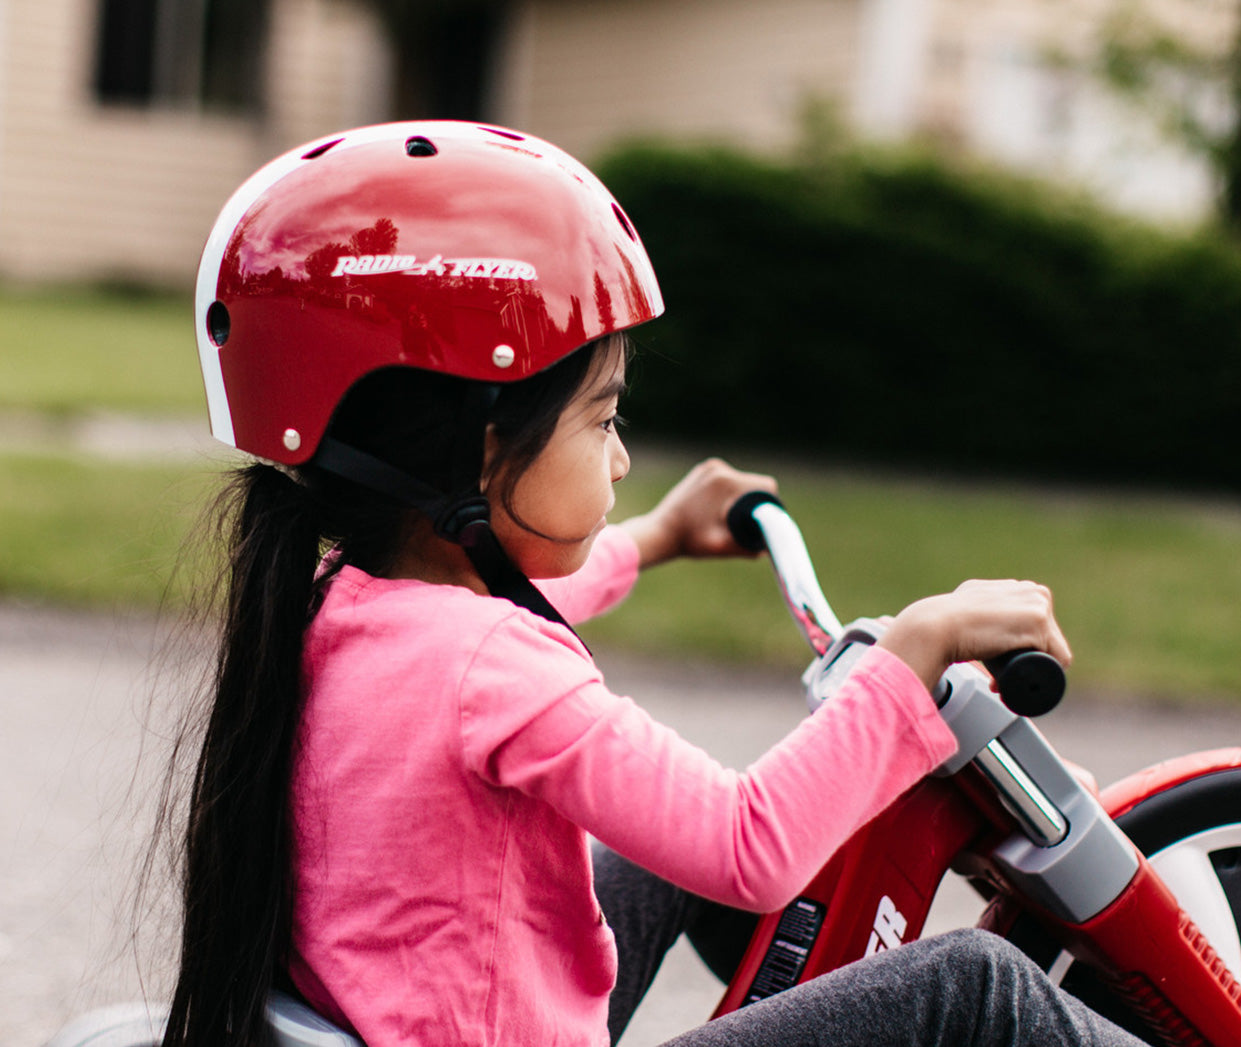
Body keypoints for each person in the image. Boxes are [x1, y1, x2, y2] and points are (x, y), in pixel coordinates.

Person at [162, 121, 1143, 1047]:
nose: (621, 459)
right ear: (483, 452)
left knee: (638, 856)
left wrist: (656, 539)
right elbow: (746, 849)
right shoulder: (492, 666)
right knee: (973, 987)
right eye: (601, 419)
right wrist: (910, 653)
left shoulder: (342, 606)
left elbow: (493, 635)